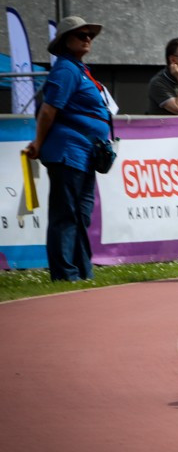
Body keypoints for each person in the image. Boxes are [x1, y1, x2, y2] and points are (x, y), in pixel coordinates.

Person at [23, 16, 110, 281]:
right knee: (67, 214)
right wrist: (38, 143)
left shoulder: (80, 69)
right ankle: (65, 274)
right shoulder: (66, 70)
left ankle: (82, 271)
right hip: (68, 151)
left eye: (89, 36)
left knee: (81, 215)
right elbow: (48, 111)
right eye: (80, 35)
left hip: (85, 153)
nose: (87, 39)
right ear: (64, 41)